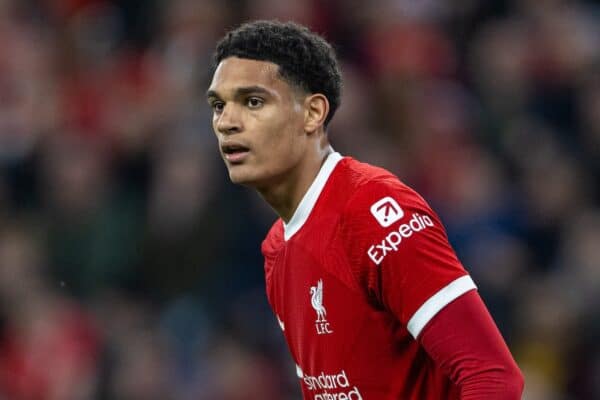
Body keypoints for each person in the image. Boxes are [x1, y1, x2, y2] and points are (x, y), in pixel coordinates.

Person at [206, 20, 524, 399]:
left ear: (312, 113)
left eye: (253, 101)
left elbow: (493, 377)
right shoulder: (277, 248)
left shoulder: (374, 213)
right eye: (219, 105)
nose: (227, 122)